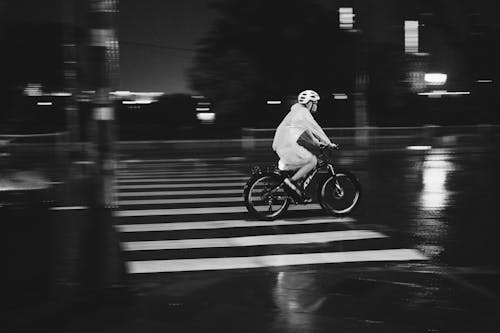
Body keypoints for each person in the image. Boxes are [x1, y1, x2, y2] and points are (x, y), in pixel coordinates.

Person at [272, 89, 337, 199]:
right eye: (315, 103)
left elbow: (307, 132)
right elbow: (316, 129)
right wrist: (329, 143)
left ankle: (292, 186)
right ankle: (291, 183)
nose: (316, 105)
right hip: (286, 146)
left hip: (282, 144)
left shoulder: (298, 112)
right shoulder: (303, 112)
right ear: (309, 103)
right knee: (312, 161)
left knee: (304, 162)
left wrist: (317, 143)